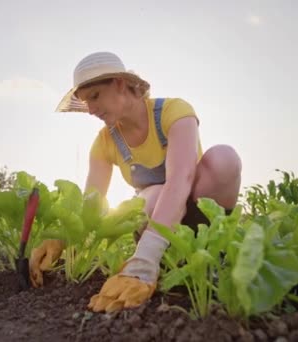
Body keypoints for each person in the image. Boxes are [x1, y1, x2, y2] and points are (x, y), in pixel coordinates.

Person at [29, 51, 242, 313]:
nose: (91, 109)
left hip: (196, 217)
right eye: (86, 102)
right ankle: (165, 263)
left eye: (95, 96)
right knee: (151, 196)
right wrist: (59, 238)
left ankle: (213, 255)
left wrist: (144, 258)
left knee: (224, 159)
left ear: (120, 83)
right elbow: (91, 202)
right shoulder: (104, 142)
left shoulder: (174, 112)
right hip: (154, 222)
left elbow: (182, 178)